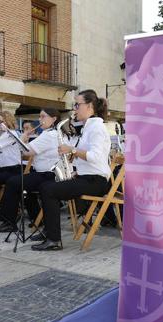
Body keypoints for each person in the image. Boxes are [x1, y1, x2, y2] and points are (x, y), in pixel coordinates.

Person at [32, 89, 111, 251]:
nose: (75, 109)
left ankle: (53, 240)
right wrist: (76, 168)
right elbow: (89, 159)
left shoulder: (97, 128)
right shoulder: (88, 127)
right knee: (46, 186)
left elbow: (95, 157)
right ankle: (49, 232)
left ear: (89, 106)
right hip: (87, 177)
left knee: (49, 190)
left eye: (77, 104)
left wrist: (72, 150)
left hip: (97, 182)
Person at [0, 109, 68, 231]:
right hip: (46, 174)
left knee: (12, 183)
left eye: (43, 116)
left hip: (48, 175)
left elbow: (27, 152)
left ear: (54, 119)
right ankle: (36, 219)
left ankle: (9, 222)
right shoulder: (51, 133)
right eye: (39, 116)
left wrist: (23, 138)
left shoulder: (49, 135)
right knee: (19, 184)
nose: (40, 119)